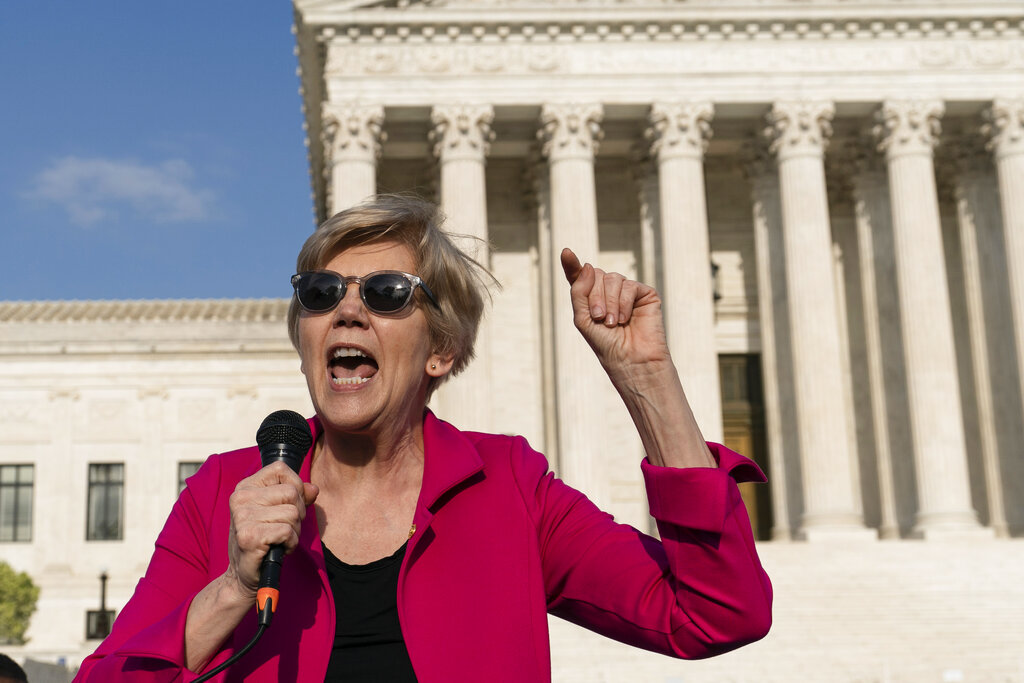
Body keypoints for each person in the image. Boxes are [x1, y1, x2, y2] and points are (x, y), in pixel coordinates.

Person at [75, 195, 771, 682]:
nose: (347, 309)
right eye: (320, 293)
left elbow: (715, 613)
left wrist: (646, 378)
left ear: (441, 350)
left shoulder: (508, 487)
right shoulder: (225, 492)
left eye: (385, 292)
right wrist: (231, 587)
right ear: (303, 337)